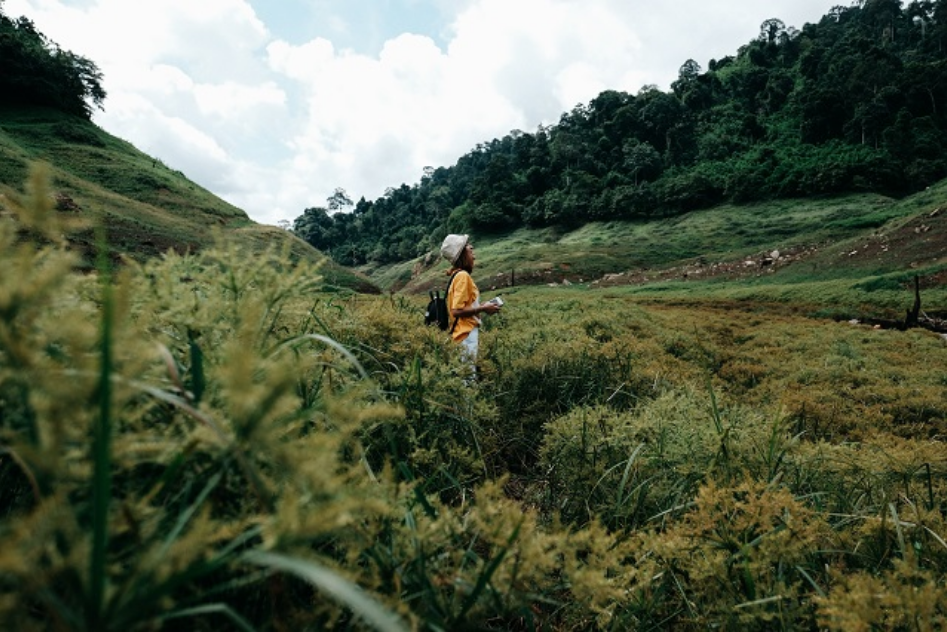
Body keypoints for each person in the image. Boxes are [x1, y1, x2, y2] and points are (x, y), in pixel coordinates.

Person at [440, 234, 501, 371]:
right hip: (465, 335)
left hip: (462, 335)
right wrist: (482, 309)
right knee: (467, 379)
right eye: (469, 248)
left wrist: (481, 306)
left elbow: (462, 306)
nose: (473, 251)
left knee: (464, 377)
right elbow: (456, 311)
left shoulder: (457, 275)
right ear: (462, 254)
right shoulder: (463, 276)